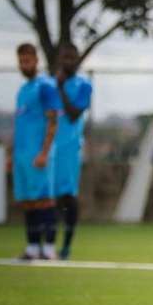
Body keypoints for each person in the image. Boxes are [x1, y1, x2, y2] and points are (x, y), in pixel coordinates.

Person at [11, 43, 61, 260]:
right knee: (28, 201)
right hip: (21, 156)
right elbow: (20, 125)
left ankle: (48, 248)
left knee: (44, 200)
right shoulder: (22, 90)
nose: (24, 65)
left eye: (28, 60)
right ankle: (32, 247)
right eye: (21, 61)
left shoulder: (46, 86)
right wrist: (12, 155)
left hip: (39, 154)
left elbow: (53, 121)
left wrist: (44, 152)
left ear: (36, 60)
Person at [53, 43, 93, 260]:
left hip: (69, 149)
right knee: (48, 198)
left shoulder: (83, 85)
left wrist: (60, 89)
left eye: (72, 58)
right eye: (64, 58)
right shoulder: (50, 85)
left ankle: (66, 246)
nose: (68, 62)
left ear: (77, 60)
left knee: (68, 196)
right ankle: (45, 244)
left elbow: (74, 114)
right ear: (59, 60)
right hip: (49, 149)